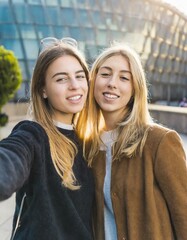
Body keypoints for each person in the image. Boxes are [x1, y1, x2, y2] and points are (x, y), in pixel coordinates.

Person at [79, 43, 187, 240]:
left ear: (135, 88)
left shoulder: (160, 142)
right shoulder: (88, 147)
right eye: (105, 74)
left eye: (124, 77)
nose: (112, 83)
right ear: (92, 81)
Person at [0, 38, 94, 240]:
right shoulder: (33, 135)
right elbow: (10, 157)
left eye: (79, 76)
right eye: (61, 79)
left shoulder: (90, 142)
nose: (75, 85)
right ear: (43, 90)